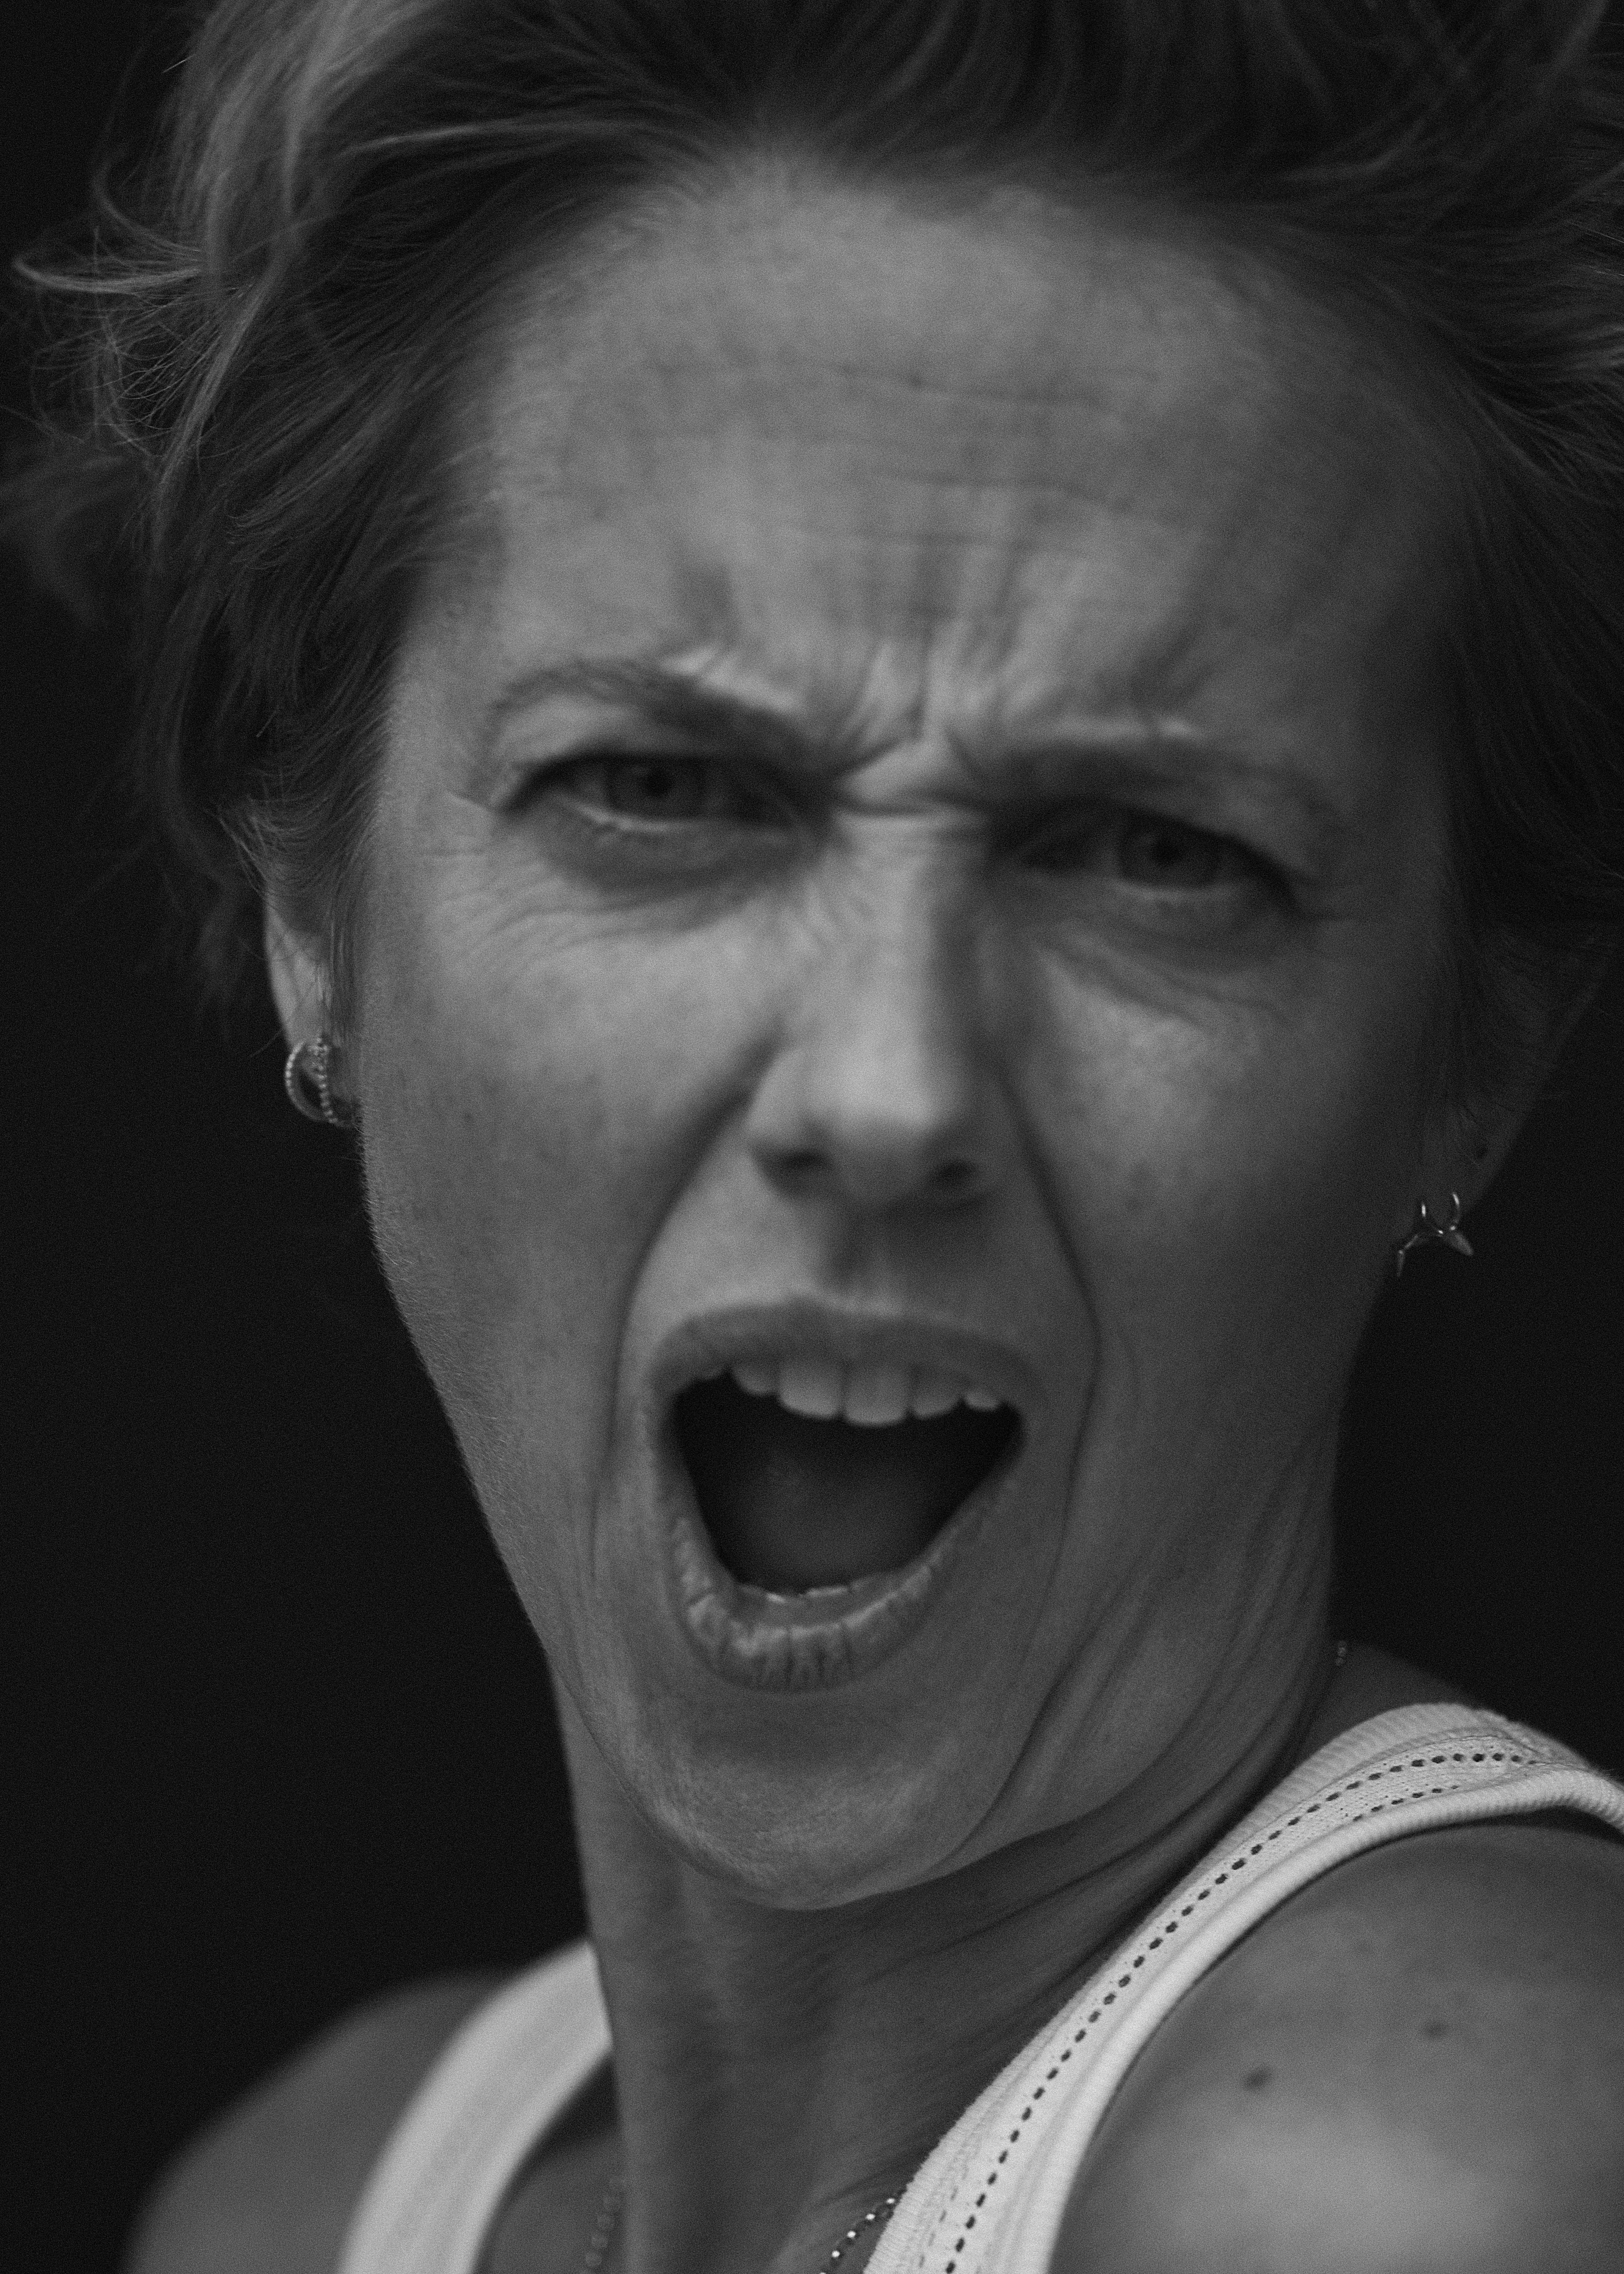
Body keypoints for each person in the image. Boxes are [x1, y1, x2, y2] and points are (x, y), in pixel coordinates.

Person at [9, 1, 1624, 2267]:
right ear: (313, 913)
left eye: (1153, 852)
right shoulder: (304, 2204)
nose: (887, 1089)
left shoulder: (1428, 2182)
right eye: (663, 789)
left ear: (1473, 1054)